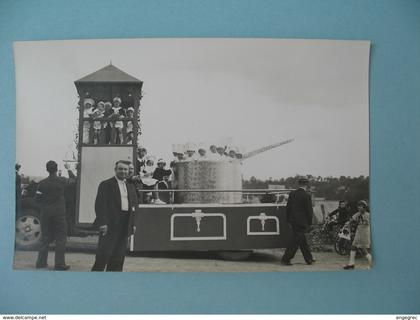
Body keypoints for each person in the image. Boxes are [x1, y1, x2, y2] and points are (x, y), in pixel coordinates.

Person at [91, 161, 138, 272]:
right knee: (103, 255)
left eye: (125, 169)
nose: (123, 171)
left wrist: (133, 223)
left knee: (119, 257)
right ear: (115, 170)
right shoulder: (106, 184)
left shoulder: (130, 186)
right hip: (110, 224)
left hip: (125, 224)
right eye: (120, 169)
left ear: (128, 171)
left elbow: (135, 206)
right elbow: (100, 205)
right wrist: (103, 223)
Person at [35, 161, 75, 270]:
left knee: (45, 238)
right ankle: (59, 264)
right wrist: (68, 169)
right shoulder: (62, 181)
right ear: (56, 169)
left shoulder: (42, 183)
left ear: (47, 169)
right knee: (61, 239)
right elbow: (74, 180)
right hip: (59, 214)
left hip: (46, 213)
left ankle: (41, 263)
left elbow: (37, 199)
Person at [281, 176, 315, 266]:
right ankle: (286, 259)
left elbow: (288, 208)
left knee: (301, 240)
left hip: (293, 221)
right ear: (306, 185)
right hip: (302, 222)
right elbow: (309, 211)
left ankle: (309, 259)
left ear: (298, 184)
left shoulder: (292, 194)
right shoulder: (307, 195)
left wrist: (288, 220)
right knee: (295, 242)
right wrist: (310, 223)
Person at [343, 200, 373, 270]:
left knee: (364, 250)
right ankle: (351, 264)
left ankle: (372, 264)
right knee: (353, 247)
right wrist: (347, 223)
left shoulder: (368, 215)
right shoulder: (358, 214)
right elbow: (352, 220)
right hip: (358, 233)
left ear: (365, 207)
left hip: (364, 233)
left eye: (361, 206)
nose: (359, 208)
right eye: (358, 206)